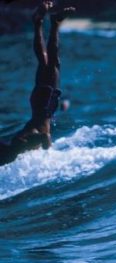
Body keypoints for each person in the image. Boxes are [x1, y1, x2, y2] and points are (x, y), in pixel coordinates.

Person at [0, 1, 74, 166]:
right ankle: (51, 23)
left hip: (43, 104)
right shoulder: (19, 142)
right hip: (43, 105)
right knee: (50, 62)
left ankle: (44, 23)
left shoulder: (23, 140)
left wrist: (50, 155)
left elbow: (44, 137)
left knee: (50, 62)